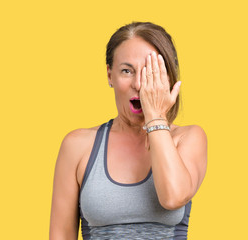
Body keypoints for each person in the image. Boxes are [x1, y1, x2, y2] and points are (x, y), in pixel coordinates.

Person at [49, 22, 207, 240]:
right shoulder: (77, 145)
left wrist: (156, 117)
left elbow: (172, 197)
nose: (140, 84)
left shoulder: (188, 138)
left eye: (151, 73)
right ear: (109, 75)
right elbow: (61, 235)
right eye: (126, 71)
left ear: (168, 77)